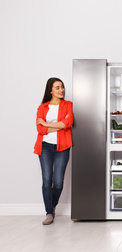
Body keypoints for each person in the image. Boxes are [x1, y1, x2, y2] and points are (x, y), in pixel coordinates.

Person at [34, 77, 73, 225]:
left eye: (62, 87)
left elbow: (68, 123)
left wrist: (47, 124)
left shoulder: (68, 105)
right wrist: (58, 125)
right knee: (46, 180)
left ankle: (52, 205)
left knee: (58, 182)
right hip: (45, 147)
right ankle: (49, 213)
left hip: (62, 147)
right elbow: (40, 129)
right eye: (57, 87)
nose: (61, 90)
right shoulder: (42, 107)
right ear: (50, 90)